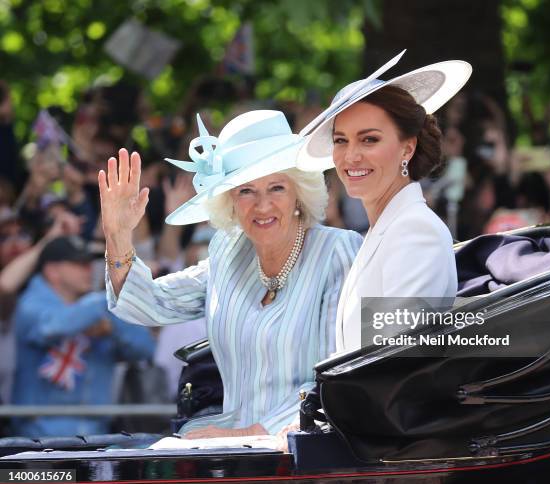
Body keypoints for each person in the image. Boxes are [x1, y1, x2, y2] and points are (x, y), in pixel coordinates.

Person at [99, 110, 362, 438]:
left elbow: (337, 376)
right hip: (229, 446)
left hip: (305, 445)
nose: (262, 205)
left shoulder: (337, 250)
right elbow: (148, 303)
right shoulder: (228, 250)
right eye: (246, 191)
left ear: (298, 192)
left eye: (276, 187)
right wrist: (119, 235)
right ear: (230, 202)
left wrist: (246, 435)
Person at [298, 53, 472, 352]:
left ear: (407, 147)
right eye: (341, 140)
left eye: (369, 140)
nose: (351, 156)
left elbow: (395, 360)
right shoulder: (384, 229)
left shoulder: (415, 231)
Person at [11, 236, 155, 437]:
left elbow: (145, 349)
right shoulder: (31, 305)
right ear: (52, 271)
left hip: (96, 438)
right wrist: (105, 301)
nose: (88, 270)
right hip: (38, 442)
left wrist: (113, 329)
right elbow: (52, 327)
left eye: (89, 263)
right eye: (78, 264)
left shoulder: (100, 311)